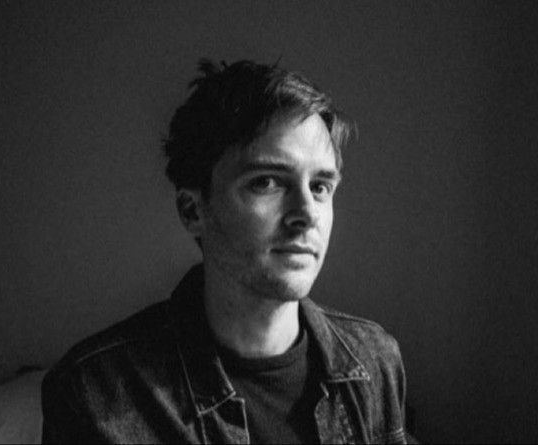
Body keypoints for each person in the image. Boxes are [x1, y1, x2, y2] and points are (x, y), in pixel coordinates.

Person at [42, 59, 407, 444]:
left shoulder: (376, 360)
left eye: (320, 187)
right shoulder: (94, 393)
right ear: (193, 211)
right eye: (266, 182)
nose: (306, 214)